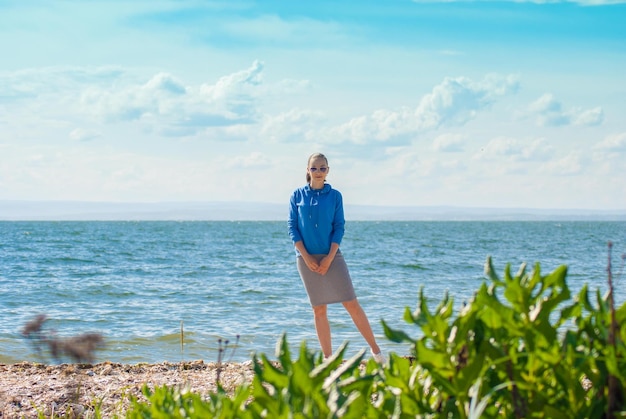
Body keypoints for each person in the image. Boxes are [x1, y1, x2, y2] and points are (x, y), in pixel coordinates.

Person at [288, 152, 385, 363]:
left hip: (332, 256)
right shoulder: (297, 196)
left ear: (328, 171)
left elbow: (339, 227)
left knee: (351, 303)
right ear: (307, 170)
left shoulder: (335, 196)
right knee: (319, 309)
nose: (319, 172)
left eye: (323, 168)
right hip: (306, 259)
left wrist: (330, 258)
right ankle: (328, 360)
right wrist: (306, 257)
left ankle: (377, 353)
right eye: (314, 168)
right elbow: (293, 228)